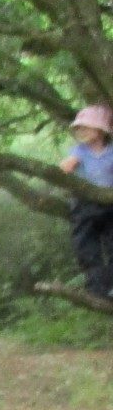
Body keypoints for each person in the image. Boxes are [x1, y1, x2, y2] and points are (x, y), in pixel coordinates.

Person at [61, 104, 113, 297]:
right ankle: (97, 287)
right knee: (86, 245)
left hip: (109, 205)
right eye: (78, 129)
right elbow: (66, 167)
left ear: (100, 131)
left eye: (85, 128)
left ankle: (111, 287)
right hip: (84, 205)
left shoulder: (111, 152)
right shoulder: (80, 151)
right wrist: (65, 168)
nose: (80, 132)